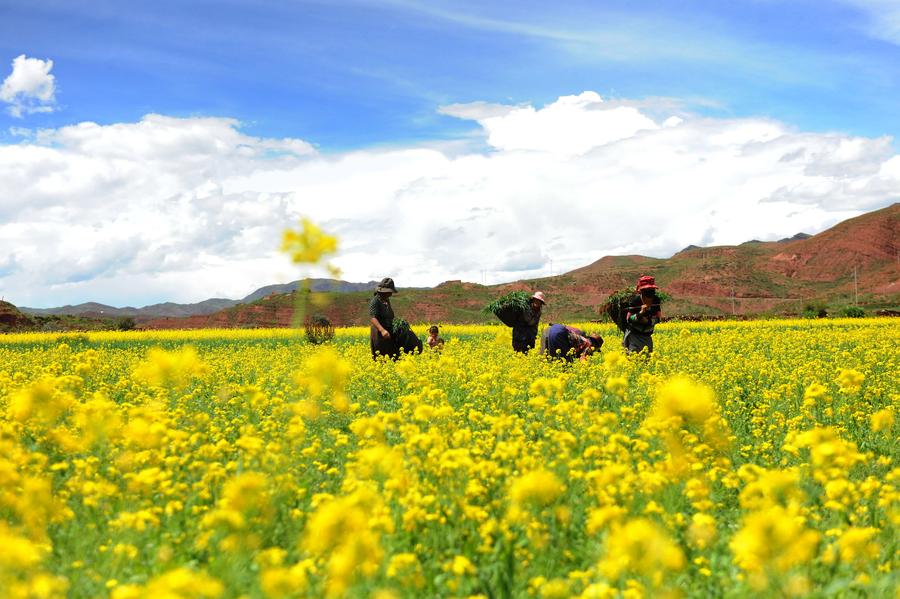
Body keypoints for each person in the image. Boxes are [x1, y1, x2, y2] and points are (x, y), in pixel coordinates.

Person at [622, 275, 662, 354]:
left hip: (647, 337)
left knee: (646, 361)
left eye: (652, 292)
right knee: (634, 358)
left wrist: (648, 322)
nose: (650, 296)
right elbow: (629, 319)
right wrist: (640, 313)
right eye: (648, 293)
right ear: (642, 292)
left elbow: (659, 318)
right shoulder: (635, 301)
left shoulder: (656, 300)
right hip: (634, 336)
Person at [369, 277, 399, 360]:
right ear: (382, 291)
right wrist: (382, 330)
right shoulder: (375, 301)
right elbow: (373, 318)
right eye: (389, 292)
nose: (390, 294)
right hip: (379, 333)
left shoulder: (386, 300)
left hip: (388, 331)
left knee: (392, 356)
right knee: (381, 357)